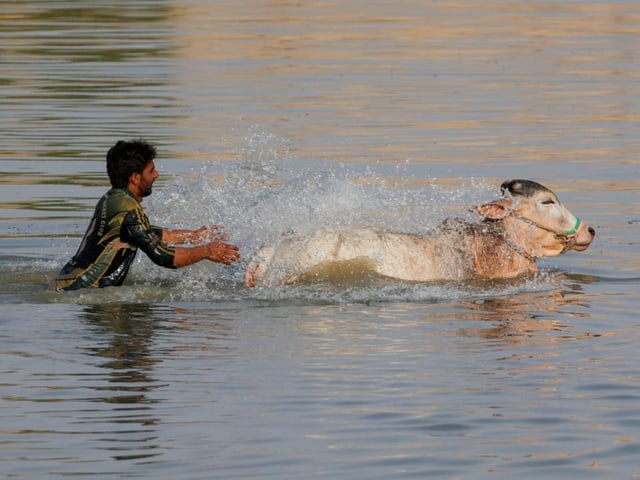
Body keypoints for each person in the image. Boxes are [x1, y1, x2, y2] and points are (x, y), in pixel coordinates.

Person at [50, 139, 240, 291]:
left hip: (65, 284)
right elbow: (162, 256)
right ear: (135, 177)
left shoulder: (113, 197)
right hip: (80, 291)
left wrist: (194, 236)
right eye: (151, 170)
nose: (156, 175)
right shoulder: (130, 210)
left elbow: (144, 233)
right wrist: (206, 251)